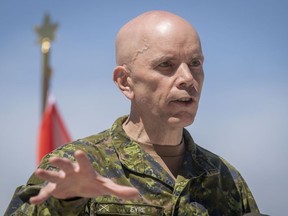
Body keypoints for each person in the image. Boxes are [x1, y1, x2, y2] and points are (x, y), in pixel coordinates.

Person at [5, 10, 261, 215]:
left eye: (195, 63)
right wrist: (65, 202)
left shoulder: (222, 176)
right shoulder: (77, 164)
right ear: (125, 82)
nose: (187, 78)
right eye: (166, 65)